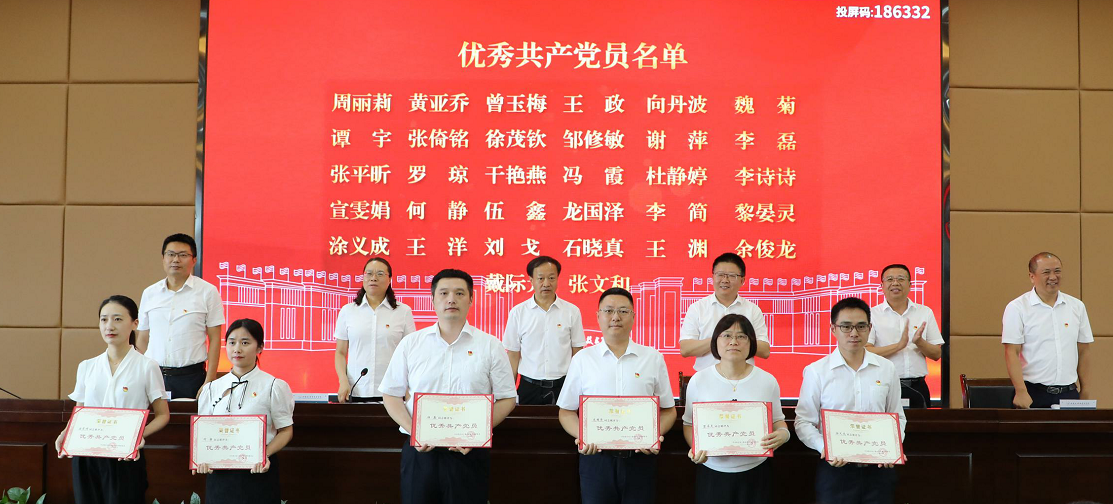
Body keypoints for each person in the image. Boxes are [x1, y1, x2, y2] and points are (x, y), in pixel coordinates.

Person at [379, 269, 517, 504]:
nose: (451, 299)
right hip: (420, 454)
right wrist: (415, 431)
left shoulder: (490, 345)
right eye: (444, 293)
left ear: (471, 299)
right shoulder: (411, 344)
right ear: (433, 299)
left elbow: (507, 398)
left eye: (459, 293)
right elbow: (391, 395)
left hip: (469, 453)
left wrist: (476, 433)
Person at [557, 288, 676, 504]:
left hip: (640, 459)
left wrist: (653, 434)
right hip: (596, 460)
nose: (615, 317)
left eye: (623, 311)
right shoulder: (583, 359)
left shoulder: (652, 358)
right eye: (609, 310)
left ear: (633, 316)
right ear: (598, 316)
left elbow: (668, 410)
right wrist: (583, 435)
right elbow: (566, 411)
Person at [56, 295, 170, 504]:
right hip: (86, 454)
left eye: (117, 319)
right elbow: (80, 411)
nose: (110, 326)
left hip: (124, 454)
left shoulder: (147, 366)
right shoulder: (87, 366)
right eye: (104, 319)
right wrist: (65, 433)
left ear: (135, 323)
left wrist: (137, 437)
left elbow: (163, 415)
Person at [795, 297, 906, 504]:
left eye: (861, 326)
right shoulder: (816, 371)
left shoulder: (886, 368)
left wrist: (893, 447)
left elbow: (897, 416)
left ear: (869, 328)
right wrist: (825, 448)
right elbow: (803, 422)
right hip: (836, 472)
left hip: (879, 472)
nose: (854, 333)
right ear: (833, 329)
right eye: (846, 326)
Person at [682, 314, 790, 504]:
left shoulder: (767, 380)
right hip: (712, 472)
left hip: (756, 473)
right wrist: (696, 448)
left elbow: (778, 421)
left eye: (741, 336)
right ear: (715, 341)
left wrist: (784, 434)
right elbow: (689, 424)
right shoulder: (699, 380)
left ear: (751, 343)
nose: (734, 342)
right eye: (726, 335)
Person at [194, 319, 294, 504]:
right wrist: (202, 458)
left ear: (260, 347)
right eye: (232, 342)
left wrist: (264, 454)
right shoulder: (211, 389)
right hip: (220, 478)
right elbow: (204, 434)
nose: (237, 349)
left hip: (258, 473)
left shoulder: (273, 386)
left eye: (245, 342)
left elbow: (286, 430)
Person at [136, 233, 225, 399]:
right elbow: (142, 338)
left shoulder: (208, 292)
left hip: (191, 377)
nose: (176, 260)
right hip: (154, 375)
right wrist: (136, 375)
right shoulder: (149, 293)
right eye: (171, 254)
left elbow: (215, 339)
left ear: (194, 260)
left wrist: (209, 381)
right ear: (163, 258)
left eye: (183, 255)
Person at [1003, 252, 1093, 409]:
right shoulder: (1017, 308)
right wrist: (1021, 391)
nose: (1053, 277)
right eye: (1046, 272)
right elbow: (1011, 352)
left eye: (1057, 271)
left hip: (1069, 394)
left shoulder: (1077, 306)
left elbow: (1084, 351)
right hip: (1032, 393)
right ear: (1032, 276)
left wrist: (1085, 391)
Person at [503, 256, 586, 404]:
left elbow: (577, 353)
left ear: (558, 279)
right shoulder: (518, 312)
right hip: (529, 386)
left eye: (551, 278)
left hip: (563, 386)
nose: (546, 283)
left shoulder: (572, 311)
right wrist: (507, 393)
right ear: (531, 280)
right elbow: (513, 356)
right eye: (541, 278)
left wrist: (578, 387)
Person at [334, 257, 416, 402]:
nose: (373, 278)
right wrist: (343, 381)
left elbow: (411, 353)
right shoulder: (348, 311)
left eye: (380, 274)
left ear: (389, 279)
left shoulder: (403, 311)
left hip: (393, 393)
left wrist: (410, 386)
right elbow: (340, 353)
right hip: (356, 391)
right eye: (369, 273)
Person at [865, 264, 943, 408]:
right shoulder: (872, 314)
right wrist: (898, 346)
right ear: (882, 286)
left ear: (910, 285)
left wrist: (919, 342)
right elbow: (866, 351)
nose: (895, 283)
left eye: (901, 279)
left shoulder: (925, 312)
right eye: (890, 279)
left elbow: (936, 354)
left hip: (917, 386)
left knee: (921, 423)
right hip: (883, 385)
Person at [679, 253, 769, 372]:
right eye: (720, 275)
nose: (725, 280)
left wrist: (737, 339)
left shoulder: (752, 309)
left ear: (742, 280)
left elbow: (765, 350)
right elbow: (685, 349)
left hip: (743, 378)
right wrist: (719, 338)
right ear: (713, 277)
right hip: (706, 378)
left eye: (732, 276)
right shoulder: (697, 308)